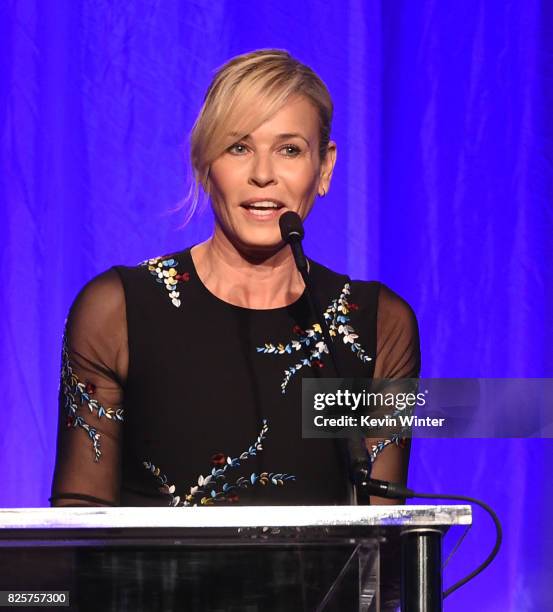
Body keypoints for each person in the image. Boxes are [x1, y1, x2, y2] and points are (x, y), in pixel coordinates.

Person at [50, 49, 420, 509]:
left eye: (289, 150)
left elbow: (379, 546)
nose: (263, 175)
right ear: (206, 164)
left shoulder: (377, 324)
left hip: (323, 586)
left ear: (324, 168)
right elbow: (81, 521)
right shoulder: (118, 311)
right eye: (238, 147)